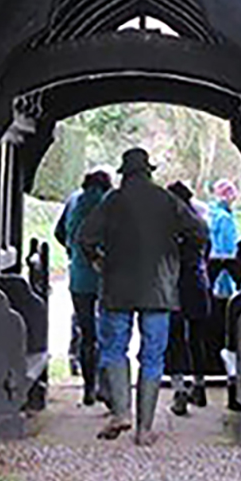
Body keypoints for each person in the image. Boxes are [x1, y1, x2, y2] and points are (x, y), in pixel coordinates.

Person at [79, 147, 206, 445]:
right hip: (159, 289)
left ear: (125, 173)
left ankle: (121, 412)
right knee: (153, 356)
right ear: (149, 171)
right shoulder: (167, 200)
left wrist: (98, 260)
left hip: (117, 287)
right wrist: (175, 256)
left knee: (114, 349)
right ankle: (144, 429)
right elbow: (199, 233)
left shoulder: (113, 201)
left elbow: (85, 237)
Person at [54, 170, 113, 406]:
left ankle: (88, 388)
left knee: (87, 333)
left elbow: (58, 232)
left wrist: (72, 252)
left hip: (79, 277)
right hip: (106, 277)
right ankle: (105, 385)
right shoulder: (108, 203)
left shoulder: (74, 200)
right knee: (109, 332)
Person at [166, 181, 212, 417]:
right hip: (198, 284)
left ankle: (179, 389)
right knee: (197, 338)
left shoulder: (167, 227)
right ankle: (200, 385)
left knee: (175, 339)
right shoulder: (200, 225)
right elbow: (207, 256)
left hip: (174, 287)